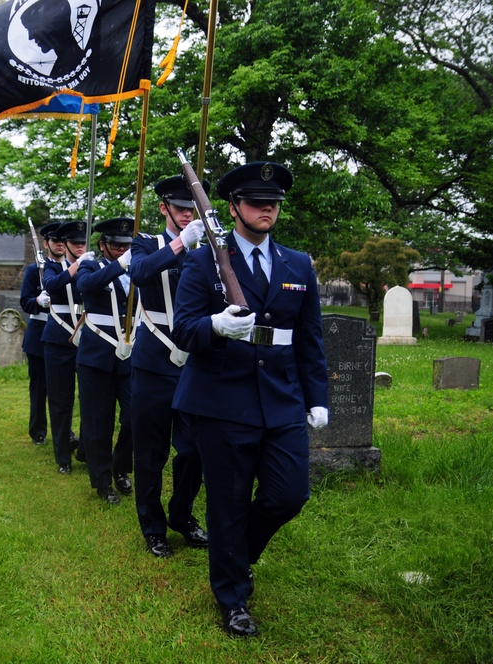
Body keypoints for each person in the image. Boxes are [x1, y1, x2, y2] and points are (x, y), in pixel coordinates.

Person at [171, 161, 329, 638]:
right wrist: (216, 326)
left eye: (274, 203)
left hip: (281, 398)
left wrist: (317, 396)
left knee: (289, 494)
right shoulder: (203, 262)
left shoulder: (297, 264)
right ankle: (233, 598)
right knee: (229, 502)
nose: (268, 209)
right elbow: (184, 328)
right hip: (221, 399)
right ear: (234, 207)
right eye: (258, 202)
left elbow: (310, 338)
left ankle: (237, 554)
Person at [128, 175, 210, 558]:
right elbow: (140, 274)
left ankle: (181, 514)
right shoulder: (146, 243)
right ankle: (152, 526)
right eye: (179, 208)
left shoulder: (208, 248)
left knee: (194, 449)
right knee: (150, 451)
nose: (185, 214)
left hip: (195, 362)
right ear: (164, 208)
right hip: (154, 361)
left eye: (190, 209)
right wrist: (181, 243)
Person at [75, 218, 136, 505]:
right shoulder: (90, 264)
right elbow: (86, 285)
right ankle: (102, 481)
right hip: (96, 355)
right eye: (116, 245)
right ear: (103, 245)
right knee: (99, 421)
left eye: (127, 245)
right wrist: (121, 264)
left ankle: (121, 465)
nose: (123, 249)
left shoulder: (139, 266)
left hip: (129, 352)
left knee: (135, 416)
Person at [39, 221, 89, 475]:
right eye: (75, 243)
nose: (80, 247)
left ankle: (86, 449)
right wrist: (77, 267)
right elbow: (52, 285)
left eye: (83, 242)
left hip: (88, 338)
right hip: (58, 340)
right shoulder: (50, 266)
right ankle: (62, 457)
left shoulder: (91, 264)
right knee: (61, 400)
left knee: (91, 400)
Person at [20, 222, 59, 445]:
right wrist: (37, 300)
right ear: (46, 244)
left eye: (63, 241)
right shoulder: (34, 270)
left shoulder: (72, 269)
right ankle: (38, 430)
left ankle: (63, 432)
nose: (60, 245)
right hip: (39, 336)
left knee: (62, 389)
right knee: (39, 387)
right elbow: (25, 301)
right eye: (55, 241)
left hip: (65, 335)